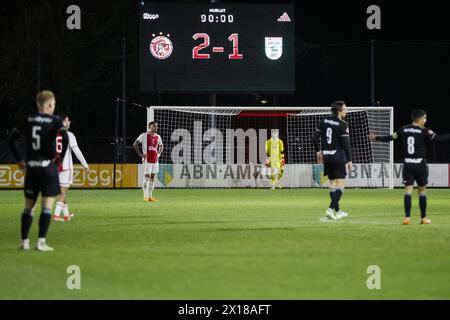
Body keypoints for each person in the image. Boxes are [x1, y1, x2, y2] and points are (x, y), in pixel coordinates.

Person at [7, 90, 69, 251]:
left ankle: (24, 241)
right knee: (47, 206)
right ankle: (41, 242)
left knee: (29, 207)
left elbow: (11, 140)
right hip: (48, 168)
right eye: (53, 104)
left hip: (32, 168)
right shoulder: (55, 120)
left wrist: (20, 160)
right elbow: (66, 138)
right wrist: (59, 158)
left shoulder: (28, 119)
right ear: (49, 104)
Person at [370, 109, 450, 225]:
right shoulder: (425, 131)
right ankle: (423, 218)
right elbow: (440, 139)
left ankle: (407, 218)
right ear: (420, 119)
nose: (426, 120)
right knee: (422, 191)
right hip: (420, 164)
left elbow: (390, 138)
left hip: (408, 164)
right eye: (425, 118)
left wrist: (376, 137)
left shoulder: (403, 129)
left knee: (408, 191)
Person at [311, 100, 353, 220]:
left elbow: (314, 139)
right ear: (339, 111)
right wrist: (349, 161)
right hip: (337, 157)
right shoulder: (342, 124)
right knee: (340, 186)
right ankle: (330, 209)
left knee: (332, 185)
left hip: (327, 157)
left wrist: (318, 152)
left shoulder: (324, 121)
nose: (346, 110)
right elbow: (346, 145)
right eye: (345, 108)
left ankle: (338, 211)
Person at [53, 115, 89, 221]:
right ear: (62, 122)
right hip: (65, 167)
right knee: (63, 192)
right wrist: (85, 165)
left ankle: (66, 214)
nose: (69, 122)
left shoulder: (52, 134)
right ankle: (56, 215)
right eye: (67, 120)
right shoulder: (69, 135)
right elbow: (76, 151)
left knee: (62, 193)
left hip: (54, 167)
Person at [133, 121, 164, 202]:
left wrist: (159, 153)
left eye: (156, 126)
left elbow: (161, 145)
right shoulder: (144, 135)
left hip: (155, 160)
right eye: (154, 126)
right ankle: (145, 197)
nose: (156, 127)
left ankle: (150, 196)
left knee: (152, 178)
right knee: (147, 177)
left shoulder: (158, 136)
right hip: (147, 160)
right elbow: (135, 144)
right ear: (149, 127)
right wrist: (140, 154)